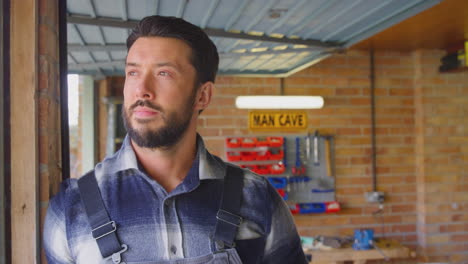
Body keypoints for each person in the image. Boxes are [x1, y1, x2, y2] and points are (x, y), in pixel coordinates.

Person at [43, 15, 307, 264]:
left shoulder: (257, 197)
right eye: (133, 72)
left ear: (202, 96)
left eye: (163, 73)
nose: (142, 90)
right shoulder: (71, 210)